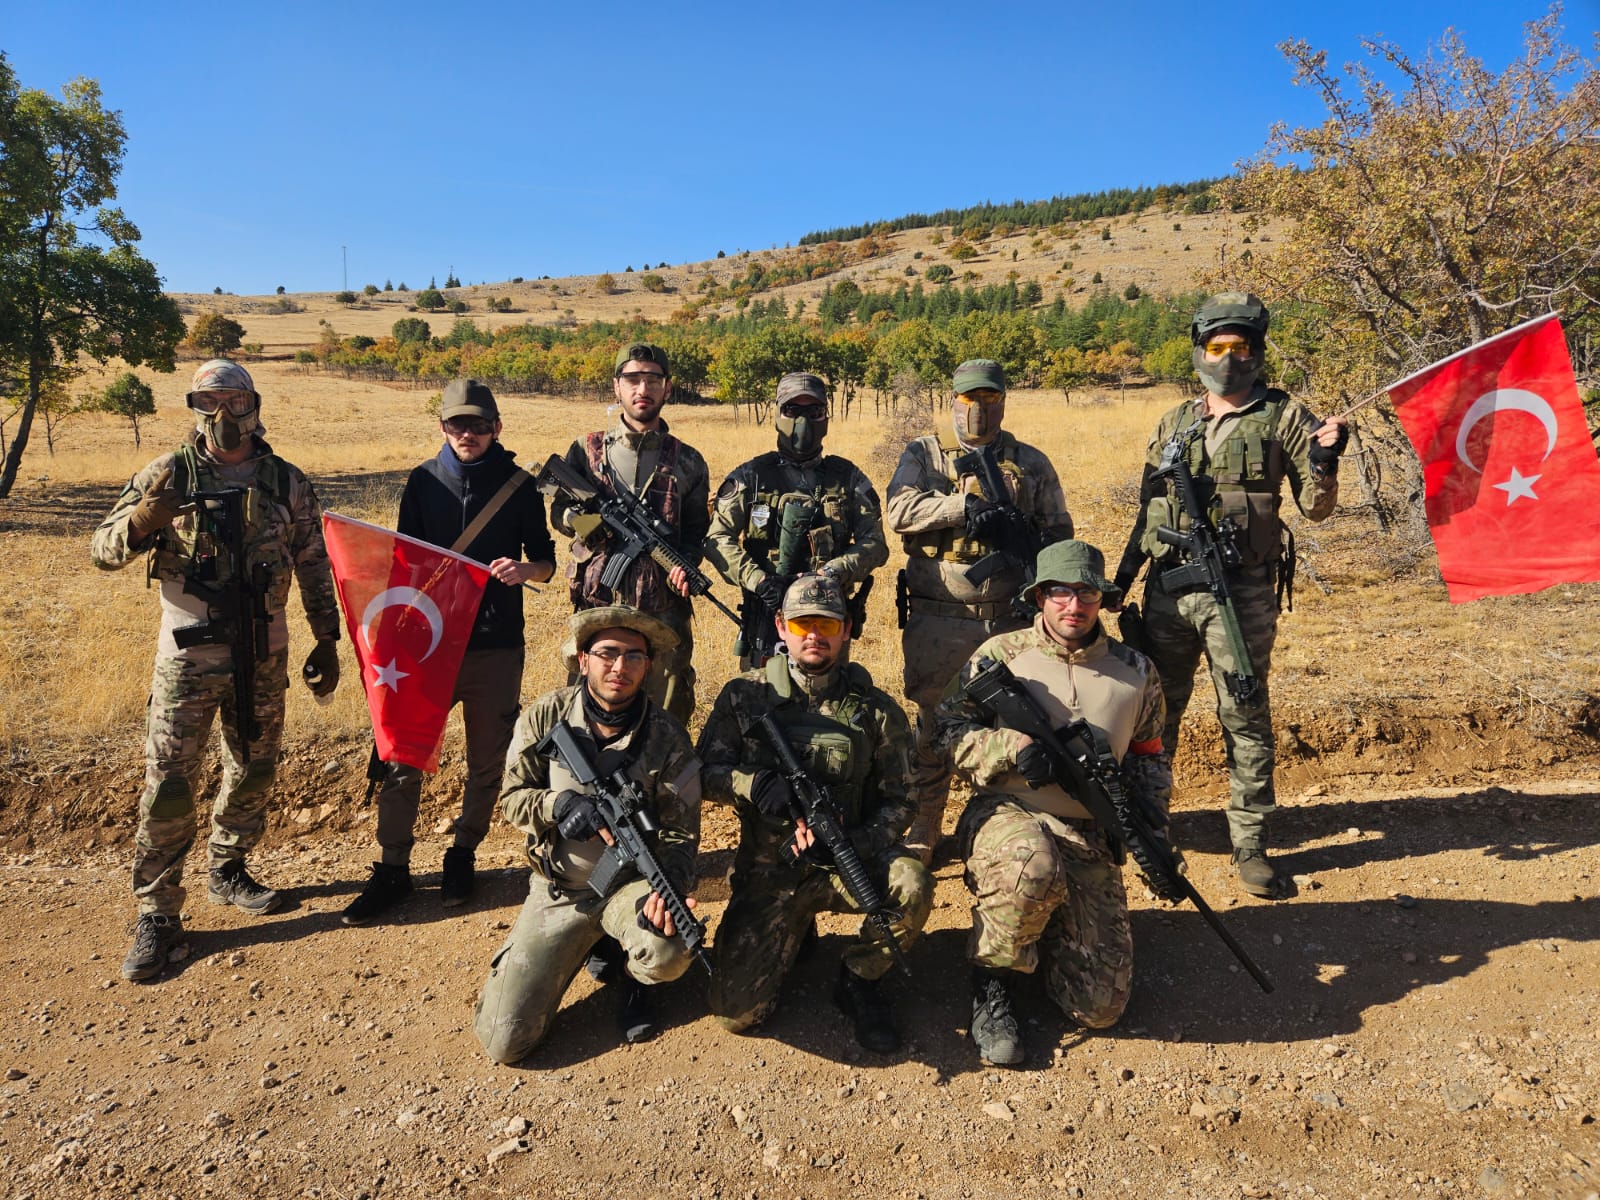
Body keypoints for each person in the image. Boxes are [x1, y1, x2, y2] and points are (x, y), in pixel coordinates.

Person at [91, 359, 342, 982]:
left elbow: (314, 561)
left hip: (263, 647)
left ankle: (228, 867)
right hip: (189, 653)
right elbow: (103, 550)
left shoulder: (286, 481)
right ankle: (157, 912)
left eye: (234, 400)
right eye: (208, 402)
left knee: (254, 766)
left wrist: (326, 637)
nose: (223, 413)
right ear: (194, 407)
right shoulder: (167, 473)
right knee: (171, 782)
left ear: (254, 405)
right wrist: (144, 519)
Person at [1113, 292, 1348, 899]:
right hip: (1168, 589)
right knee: (1153, 715)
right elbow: (1148, 510)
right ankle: (1150, 828)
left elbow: (1316, 509)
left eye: (1240, 346)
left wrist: (1324, 461)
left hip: (1239, 595)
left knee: (1244, 713)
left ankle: (1250, 842)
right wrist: (1122, 579)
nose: (1227, 358)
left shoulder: (1284, 416)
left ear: (1257, 351)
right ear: (1199, 351)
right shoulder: (1174, 421)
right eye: (1216, 346)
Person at [936, 540, 1169, 1067]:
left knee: (1100, 1008)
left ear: (1102, 598)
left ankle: (1041, 937)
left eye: (1087, 593)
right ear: (1040, 596)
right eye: (1060, 592)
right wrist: (1009, 748)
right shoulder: (1000, 656)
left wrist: (1153, 832)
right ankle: (992, 982)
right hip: (1006, 816)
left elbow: (1150, 757)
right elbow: (945, 732)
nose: (1074, 605)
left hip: (1088, 828)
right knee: (1033, 866)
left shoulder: (1136, 670)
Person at [342, 379, 556, 925]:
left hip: (496, 646)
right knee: (402, 756)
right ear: (442, 427)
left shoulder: (519, 487)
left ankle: (463, 854)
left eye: (479, 425)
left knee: (488, 759)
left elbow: (547, 563)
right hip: (427, 648)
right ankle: (392, 867)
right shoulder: (422, 481)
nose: (468, 434)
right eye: (458, 424)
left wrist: (524, 570)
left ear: (496, 428)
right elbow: (404, 564)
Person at [699, 574, 931, 1053]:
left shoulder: (876, 711)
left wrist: (856, 842)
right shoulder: (745, 696)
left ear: (845, 630)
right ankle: (794, 927)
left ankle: (859, 978)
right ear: (781, 626)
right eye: (803, 623)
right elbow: (702, 773)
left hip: (847, 861)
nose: (814, 635)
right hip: (771, 871)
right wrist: (750, 784)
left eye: (826, 625)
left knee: (911, 885)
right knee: (736, 1014)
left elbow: (903, 800)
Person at [473, 606, 703, 1062]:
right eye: (607, 653)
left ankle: (633, 979)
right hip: (559, 891)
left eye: (634, 656)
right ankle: (586, 947)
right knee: (505, 1042)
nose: (620, 667)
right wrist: (557, 805)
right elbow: (512, 798)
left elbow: (681, 836)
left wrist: (669, 891)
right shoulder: (547, 715)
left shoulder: (668, 736)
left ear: (648, 666)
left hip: (630, 888)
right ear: (583, 660)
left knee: (670, 950)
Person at [884, 358, 1074, 864]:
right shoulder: (925, 454)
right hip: (940, 618)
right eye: (969, 398)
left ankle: (1000, 827)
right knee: (933, 725)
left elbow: (1059, 533)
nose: (978, 409)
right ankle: (925, 823)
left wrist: (1024, 543)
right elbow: (899, 511)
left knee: (1011, 724)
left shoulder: (1030, 462)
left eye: (989, 398)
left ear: (1004, 401)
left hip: (1010, 620)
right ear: (952, 400)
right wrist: (962, 509)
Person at [548, 342, 709, 727]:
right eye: (633, 379)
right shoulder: (586, 451)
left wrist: (685, 567)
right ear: (616, 386)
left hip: (664, 620)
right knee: (586, 724)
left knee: (664, 724)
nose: (643, 389)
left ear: (667, 388)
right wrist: (590, 524)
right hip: (597, 612)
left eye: (652, 379)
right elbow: (559, 511)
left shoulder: (688, 461)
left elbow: (696, 533)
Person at [703, 371, 888, 666]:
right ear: (777, 415)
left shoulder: (847, 477)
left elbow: (875, 544)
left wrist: (833, 573)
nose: (803, 421)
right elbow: (717, 539)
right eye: (792, 410)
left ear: (825, 417)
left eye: (814, 411)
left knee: (829, 692)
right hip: (767, 611)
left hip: (825, 620)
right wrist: (759, 581)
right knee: (763, 691)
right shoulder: (752, 476)